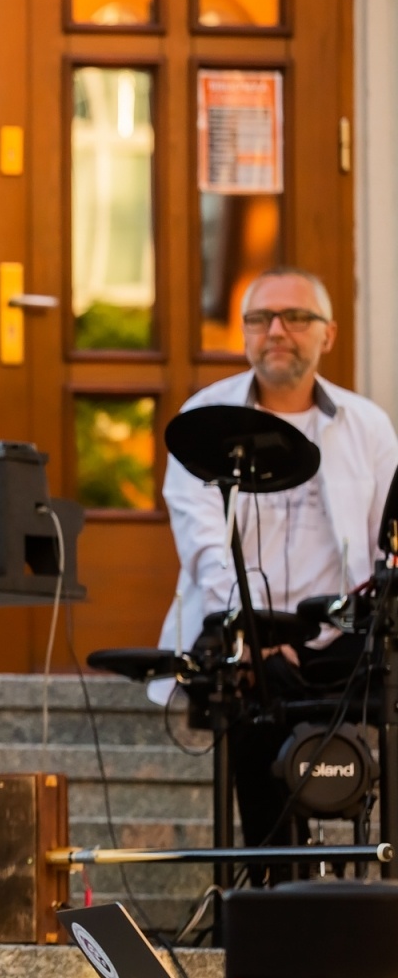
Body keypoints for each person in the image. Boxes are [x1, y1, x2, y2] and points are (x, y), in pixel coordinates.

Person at [159, 266, 398, 866]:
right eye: (261, 318)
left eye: (296, 317)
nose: (277, 331)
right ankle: (271, 889)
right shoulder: (204, 418)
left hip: (340, 635)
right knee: (252, 699)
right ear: (244, 333)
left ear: (329, 335)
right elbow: (204, 545)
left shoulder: (365, 424)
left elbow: (384, 546)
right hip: (246, 636)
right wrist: (253, 635)